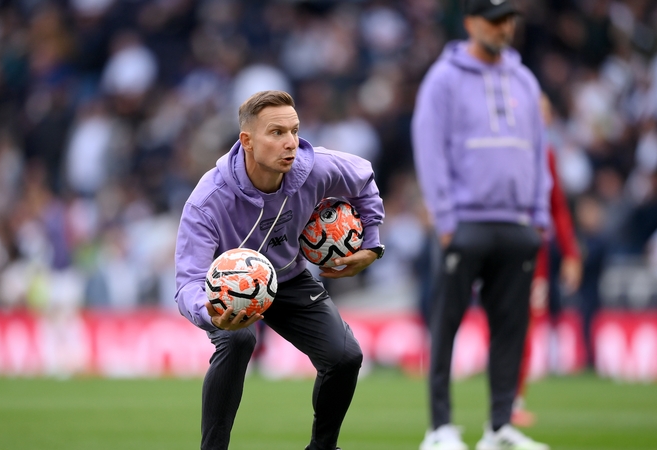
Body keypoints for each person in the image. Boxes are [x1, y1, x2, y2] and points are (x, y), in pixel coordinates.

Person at [174, 90, 386, 450]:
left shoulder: (314, 166)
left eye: (294, 130)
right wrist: (210, 311)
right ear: (247, 141)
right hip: (232, 294)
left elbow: (363, 180)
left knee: (346, 357)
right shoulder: (207, 200)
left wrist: (372, 245)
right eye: (276, 133)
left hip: (289, 278)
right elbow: (188, 282)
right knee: (239, 339)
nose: (291, 143)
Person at [411, 1, 552, 449]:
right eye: (494, 20)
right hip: (465, 221)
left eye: (509, 18)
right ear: (471, 23)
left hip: (516, 223)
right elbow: (429, 148)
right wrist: (445, 218)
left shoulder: (524, 79)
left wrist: (540, 216)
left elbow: (538, 151)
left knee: (511, 327)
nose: (504, 27)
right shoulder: (444, 78)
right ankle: (439, 428)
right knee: (446, 323)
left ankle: (499, 427)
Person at [512, 95, 583, 428]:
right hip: (501, 248)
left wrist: (571, 253)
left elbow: (558, 208)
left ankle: (514, 401)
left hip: (535, 254)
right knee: (506, 323)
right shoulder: (505, 154)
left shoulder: (547, 156)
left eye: (546, 114)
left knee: (525, 325)